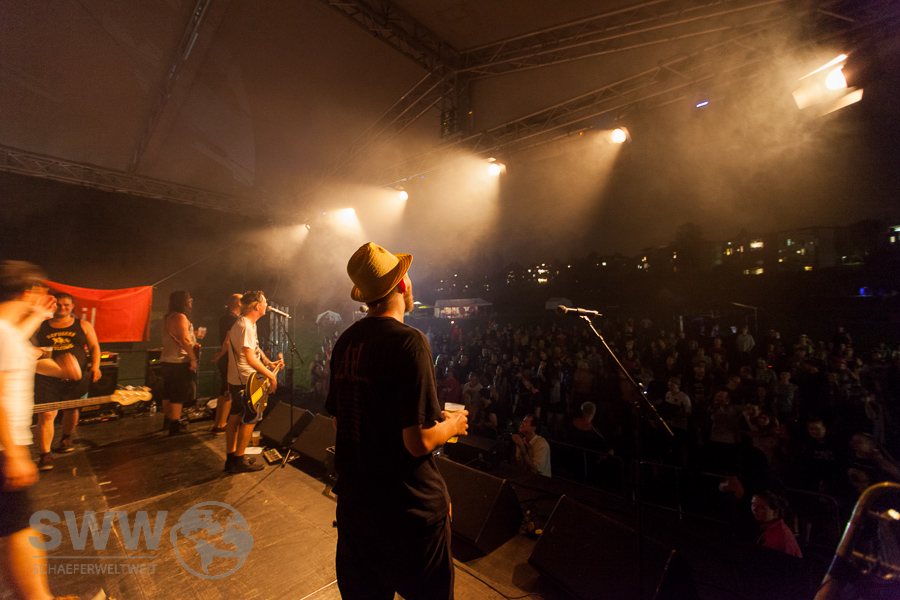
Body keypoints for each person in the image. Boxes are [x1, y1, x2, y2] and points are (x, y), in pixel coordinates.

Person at [326, 242, 468, 600]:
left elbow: (340, 422)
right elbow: (417, 442)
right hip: (407, 514)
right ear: (402, 285)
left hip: (356, 509)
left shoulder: (346, 341)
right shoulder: (410, 342)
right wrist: (452, 425)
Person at [0, 261, 81, 599]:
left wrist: (37, 317)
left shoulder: (7, 331)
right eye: (40, 291)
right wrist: (15, 453)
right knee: (20, 528)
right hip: (4, 446)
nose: (47, 298)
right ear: (28, 291)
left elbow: (20, 352)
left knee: (14, 526)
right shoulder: (3, 333)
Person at [32, 292, 102, 470]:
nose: (62, 308)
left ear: (72, 307)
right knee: (47, 414)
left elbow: (94, 346)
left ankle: (66, 438)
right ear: (52, 306)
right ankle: (45, 455)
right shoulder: (40, 326)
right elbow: (29, 346)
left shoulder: (83, 325)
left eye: (66, 305)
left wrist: (96, 366)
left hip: (76, 378)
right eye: (59, 304)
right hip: (47, 378)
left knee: (71, 409)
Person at [224, 291, 283, 474]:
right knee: (250, 419)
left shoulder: (247, 323)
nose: (267, 305)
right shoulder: (245, 326)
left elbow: (253, 350)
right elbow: (250, 359)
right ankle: (239, 460)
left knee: (235, 416)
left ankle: (232, 459)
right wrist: (271, 375)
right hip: (246, 381)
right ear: (257, 306)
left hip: (238, 378)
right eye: (264, 302)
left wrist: (267, 362)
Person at [160, 291, 200, 435]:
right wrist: (193, 359)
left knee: (167, 392)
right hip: (179, 360)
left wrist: (193, 334)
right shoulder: (181, 317)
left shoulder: (167, 317)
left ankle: (167, 420)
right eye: (188, 299)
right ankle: (175, 425)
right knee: (178, 393)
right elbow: (184, 340)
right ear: (182, 301)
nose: (191, 300)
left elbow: (178, 335)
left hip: (166, 359)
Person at [210, 293, 242, 434]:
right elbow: (228, 340)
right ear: (239, 303)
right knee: (228, 392)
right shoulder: (233, 319)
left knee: (223, 391)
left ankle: (218, 423)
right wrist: (222, 353)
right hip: (229, 359)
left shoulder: (225, 317)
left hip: (225, 358)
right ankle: (221, 424)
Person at [751, 491, 803, 558]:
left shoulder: (780, 536)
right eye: (753, 504)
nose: (754, 509)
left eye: (761, 507)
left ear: (775, 512)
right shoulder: (768, 526)